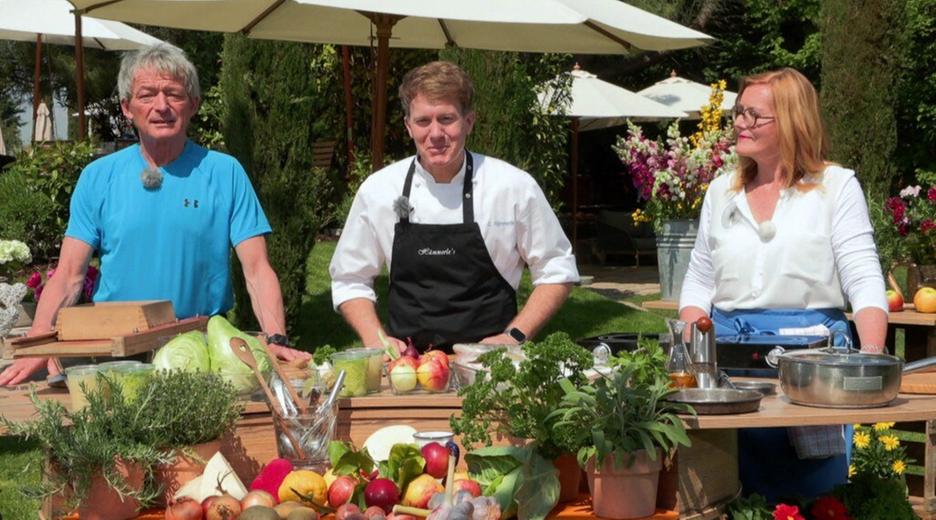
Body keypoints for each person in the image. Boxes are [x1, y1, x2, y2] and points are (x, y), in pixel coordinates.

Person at [0, 43, 308, 386]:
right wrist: (41, 338)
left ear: (193, 104)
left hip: (198, 349)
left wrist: (276, 338)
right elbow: (69, 276)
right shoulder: (98, 177)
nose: (162, 106)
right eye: (147, 95)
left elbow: (257, 271)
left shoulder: (225, 173)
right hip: (114, 351)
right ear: (127, 107)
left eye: (174, 94)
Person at [678, 67, 888, 501]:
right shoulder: (721, 191)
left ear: (792, 121)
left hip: (811, 370)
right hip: (726, 367)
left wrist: (869, 362)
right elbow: (699, 278)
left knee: (811, 495)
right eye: (739, 112)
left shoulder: (835, 187)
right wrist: (694, 336)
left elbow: (864, 278)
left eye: (754, 116)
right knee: (724, 487)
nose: (739, 123)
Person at [329, 61, 578, 352]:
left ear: (469, 121)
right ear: (408, 126)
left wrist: (515, 336)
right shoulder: (379, 190)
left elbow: (556, 267)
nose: (435, 134)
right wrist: (375, 339)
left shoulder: (512, 187)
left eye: (446, 119)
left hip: (491, 366)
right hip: (407, 369)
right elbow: (350, 278)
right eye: (423, 121)